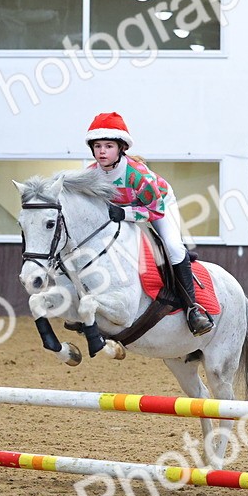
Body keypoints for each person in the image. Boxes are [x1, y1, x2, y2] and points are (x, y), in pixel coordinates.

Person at [83, 111, 214, 336]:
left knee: (173, 247)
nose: (102, 151)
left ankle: (193, 310)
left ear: (121, 148)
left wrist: (124, 213)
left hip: (158, 204)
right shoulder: (90, 175)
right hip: (123, 211)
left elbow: (155, 210)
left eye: (108, 146)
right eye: (98, 146)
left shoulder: (137, 174)